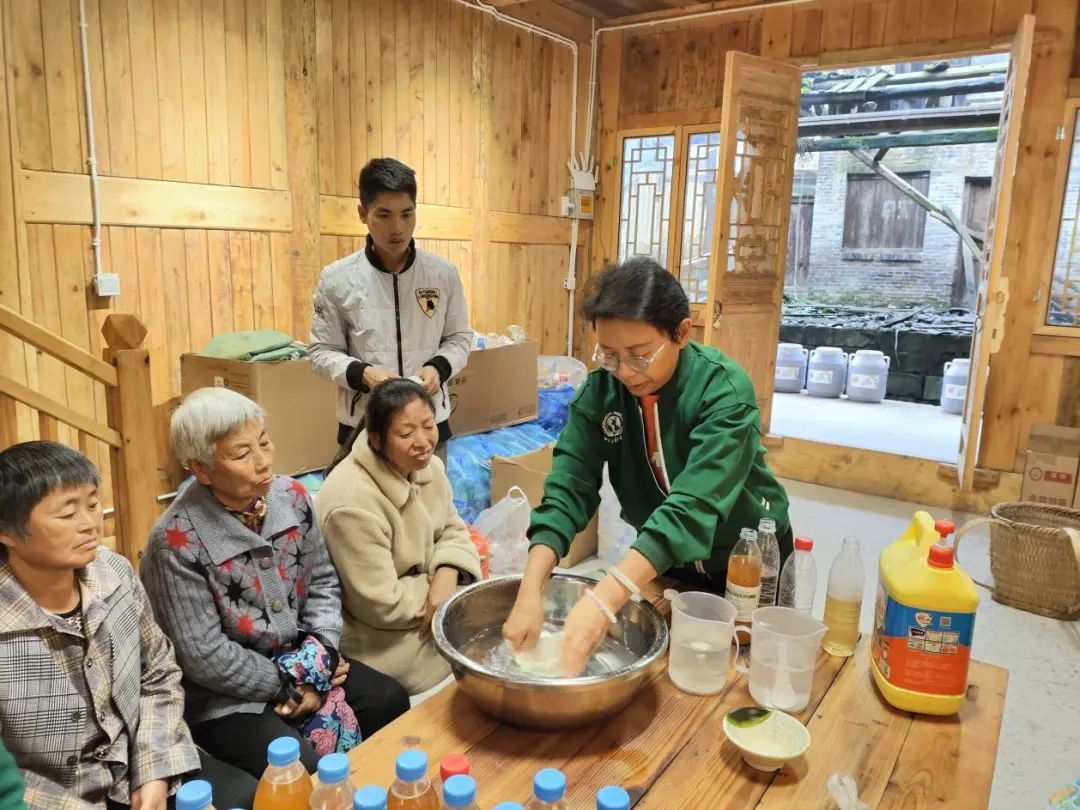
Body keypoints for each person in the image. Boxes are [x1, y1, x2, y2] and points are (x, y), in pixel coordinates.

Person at [502, 257, 792, 676]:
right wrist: (531, 588)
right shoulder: (601, 394)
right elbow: (568, 487)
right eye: (609, 355)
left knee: (750, 675)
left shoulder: (723, 391)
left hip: (747, 558)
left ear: (681, 333)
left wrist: (604, 600)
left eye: (639, 355)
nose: (623, 372)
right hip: (665, 563)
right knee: (674, 680)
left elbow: (692, 507)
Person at [141, 387, 410, 780]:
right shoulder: (174, 542)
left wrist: (322, 656)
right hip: (229, 696)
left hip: (307, 661)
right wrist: (287, 684)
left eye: (264, 442)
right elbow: (203, 655)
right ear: (199, 468)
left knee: (389, 700)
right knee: (297, 769)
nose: (263, 461)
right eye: (241, 454)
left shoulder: (294, 496)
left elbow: (323, 582)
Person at [0, 441, 256, 809]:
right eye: (66, 514)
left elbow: (158, 672)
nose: (90, 524)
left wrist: (154, 769)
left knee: (243, 794)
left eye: (91, 504)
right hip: (55, 798)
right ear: (7, 531)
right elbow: (8, 776)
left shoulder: (115, 573)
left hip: (137, 765)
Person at [316, 379, 482, 695]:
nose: (423, 441)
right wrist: (438, 590)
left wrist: (447, 576)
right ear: (376, 440)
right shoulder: (350, 503)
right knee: (475, 652)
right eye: (405, 434)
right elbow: (382, 603)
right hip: (381, 635)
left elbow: (452, 530)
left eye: (428, 426)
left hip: (430, 602)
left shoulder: (430, 467)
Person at [309, 157, 472, 464]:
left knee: (428, 511)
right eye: (383, 215)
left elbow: (460, 337)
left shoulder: (442, 274)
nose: (397, 228)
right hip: (364, 427)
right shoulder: (336, 279)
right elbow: (321, 351)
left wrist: (438, 367)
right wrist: (364, 374)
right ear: (362, 213)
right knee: (366, 512)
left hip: (427, 425)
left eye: (406, 214)